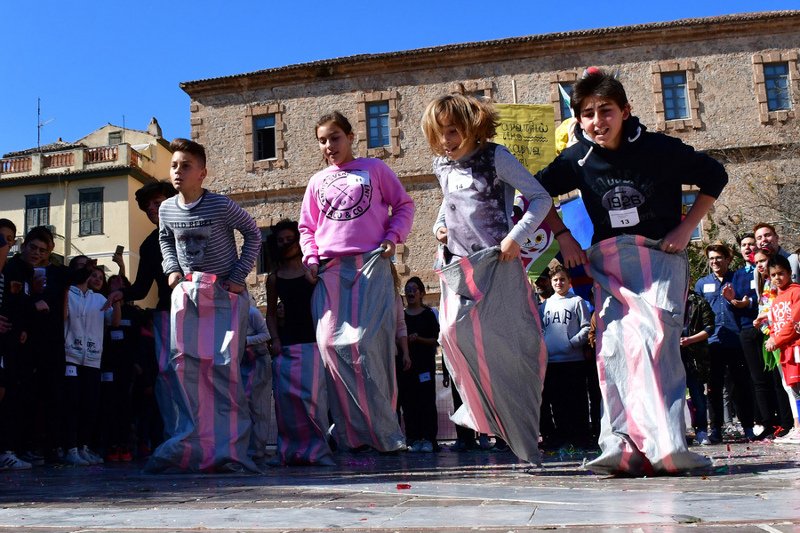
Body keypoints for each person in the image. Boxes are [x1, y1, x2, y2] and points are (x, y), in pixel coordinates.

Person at [533, 68, 724, 475]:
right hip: (611, 265)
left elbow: (715, 175)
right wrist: (564, 236)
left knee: (656, 344)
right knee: (614, 348)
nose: (597, 121)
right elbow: (535, 191)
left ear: (625, 110)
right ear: (578, 119)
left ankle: (669, 444)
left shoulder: (660, 149)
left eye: (605, 110)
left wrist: (687, 226)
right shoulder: (577, 157)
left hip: (659, 259)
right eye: (587, 114)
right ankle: (620, 445)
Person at [422, 93, 554, 465]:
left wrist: (516, 238)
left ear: (470, 126)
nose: (447, 140)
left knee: (514, 350)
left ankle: (525, 436)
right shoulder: (442, 166)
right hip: (459, 267)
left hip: (498, 263)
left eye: (453, 131)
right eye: (440, 132)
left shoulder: (495, 157)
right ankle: (478, 413)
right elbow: (448, 203)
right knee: (449, 333)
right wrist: (439, 227)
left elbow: (540, 199)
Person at [299, 112, 414, 453]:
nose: (329, 146)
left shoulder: (375, 169)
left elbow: (404, 204)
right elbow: (307, 227)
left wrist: (394, 237)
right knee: (330, 347)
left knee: (369, 349)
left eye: (334, 137)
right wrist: (310, 258)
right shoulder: (317, 181)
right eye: (322, 140)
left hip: (371, 263)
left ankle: (385, 433)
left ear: (350, 137)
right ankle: (350, 435)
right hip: (331, 269)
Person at [149, 138, 261, 473]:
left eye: (186, 166)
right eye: (174, 165)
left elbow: (253, 234)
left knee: (226, 370)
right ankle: (193, 444)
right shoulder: (167, 208)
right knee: (187, 369)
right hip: (189, 296)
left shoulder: (221, 206)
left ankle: (232, 450)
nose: (178, 171)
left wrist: (239, 276)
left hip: (226, 295)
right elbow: (164, 238)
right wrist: (171, 268)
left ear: (203, 173)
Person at [265, 219, 334, 466]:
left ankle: (319, 451)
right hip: (286, 344)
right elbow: (270, 313)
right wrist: (274, 339)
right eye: (281, 240)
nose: (285, 244)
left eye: (289, 239)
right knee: (286, 402)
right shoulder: (275, 278)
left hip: (314, 342)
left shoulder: (316, 271)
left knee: (314, 401)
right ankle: (288, 452)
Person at [62, 257, 121, 466]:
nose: (92, 275)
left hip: (93, 359)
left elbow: (114, 322)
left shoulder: (98, 299)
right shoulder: (68, 291)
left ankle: (83, 446)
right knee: (72, 403)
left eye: (96, 273)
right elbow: (63, 317)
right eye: (87, 270)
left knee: (90, 404)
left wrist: (116, 301)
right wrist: (65, 291)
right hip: (71, 356)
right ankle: (70, 448)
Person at [695, 244, 756, 443]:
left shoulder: (738, 279)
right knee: (713, 387)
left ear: (728, 259)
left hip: (736, 340)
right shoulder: (702, 284)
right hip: (713, 342)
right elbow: (697, 314)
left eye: (719, 257)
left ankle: (748, 426)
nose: (715, 261)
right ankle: (716, 430)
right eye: (711, 258)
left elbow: (748, 304)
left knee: (741, 385)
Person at [540, 265, 591, 449]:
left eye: (562, 279)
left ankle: (580, 437)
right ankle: (560, 436)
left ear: (569, 282)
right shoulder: (545, 305)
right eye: (555, 280)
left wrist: (572, 343)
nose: (559, 283)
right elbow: (540, 330)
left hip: (573, 361)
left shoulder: (577, 301)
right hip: (552, 362)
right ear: (551, 283)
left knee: (576, 401)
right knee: (556, 402)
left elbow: (586, 327)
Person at [759, 255, 800, 444]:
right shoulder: (775, 299)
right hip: (783, 349)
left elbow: (794, 322)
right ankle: (797, 426)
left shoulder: (796, 292)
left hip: (796, 347)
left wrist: (776, 338)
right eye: (773, 275)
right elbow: (775, 323)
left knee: (798, 387)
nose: (777, 278)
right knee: (791, 388)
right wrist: (772, 336)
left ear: (790, 273)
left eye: (781, 273)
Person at [399, 276, 440, 453]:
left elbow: (436, 340)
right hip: (407, 367)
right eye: (408, 289)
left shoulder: (428, 314)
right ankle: (413, 437)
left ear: (422, 293)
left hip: (425, 366)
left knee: (427, 402)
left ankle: (429, 438)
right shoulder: (401, 315)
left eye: (414, 289)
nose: (410, 292)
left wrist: (419, 339)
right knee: (409, 402)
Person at [680, 289, 714, 445]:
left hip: (694, 356)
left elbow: (709, 328)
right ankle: (678, 432)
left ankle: (701, 430)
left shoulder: (699, 301)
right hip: (672, 357)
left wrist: (690, 340)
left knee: (697, 395)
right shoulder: (664, 300)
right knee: (675, 398)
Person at [240, 301, 272, 467]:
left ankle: (258, 448)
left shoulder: (252, 312)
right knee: (244, 405)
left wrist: (245, 341)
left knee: (258, 405)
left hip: (258, 361)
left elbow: (266, 334)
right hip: (242, 362)